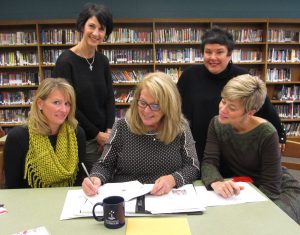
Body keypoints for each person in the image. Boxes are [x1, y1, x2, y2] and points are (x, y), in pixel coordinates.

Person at [177, 26, 286, 164]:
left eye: (219, 52)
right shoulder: (189, 75)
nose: (213, 57)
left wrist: (280, 135)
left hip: (232, 150)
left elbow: (263, 106)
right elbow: (175, 107)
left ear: (229, 54)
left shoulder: (242, 76)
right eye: (208, 52)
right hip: (195, 146)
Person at [201, 74, 300, 224]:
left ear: (250, 112)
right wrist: (217, 182)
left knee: (267, 223)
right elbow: (209, 162)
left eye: (232, 107)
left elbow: (271, 187)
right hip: (245, 187)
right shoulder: (217, 123)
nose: (223, 109)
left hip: (279, 190)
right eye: (223, 101)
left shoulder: (267, 133)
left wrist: (247, 210)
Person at [82, 72, 200, 196]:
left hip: (166, 199)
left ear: (168, 106)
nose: (146, 111)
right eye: (143, 103)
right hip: (127, 200)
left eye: (155, 105)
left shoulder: (179, 127)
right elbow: (105, 165)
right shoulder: (122, 126)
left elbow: (192, 167)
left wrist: (173, 179)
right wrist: (96, 178)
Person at [53, 3, 115, 173]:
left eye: (101, 29)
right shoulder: (66, 62)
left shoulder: (103, 62)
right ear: (82, 26)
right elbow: (68, 106)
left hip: (106, 138)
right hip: (82, 138)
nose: (96, 33)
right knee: (93, 182)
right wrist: (97, 135)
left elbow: (109, 98)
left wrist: (108, 132)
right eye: (92, 26)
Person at [4, 78, 86, 188]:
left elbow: (78, 181)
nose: (64, 110)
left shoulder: (77, 134)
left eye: (67, 103)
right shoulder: (18, 138)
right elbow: (11, 188)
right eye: (57, 102)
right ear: (40, 104)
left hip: (68, 201)